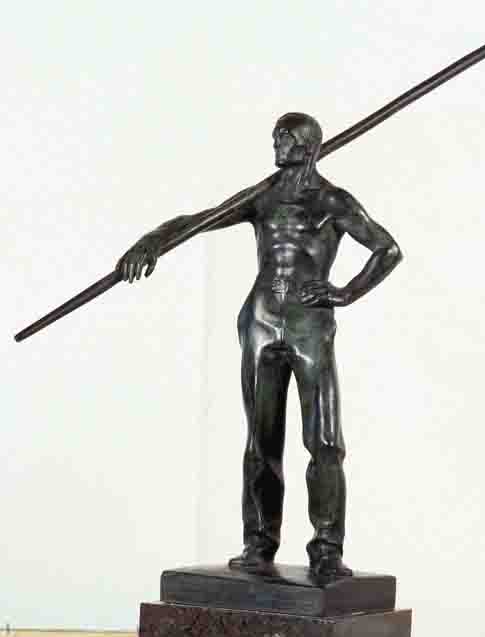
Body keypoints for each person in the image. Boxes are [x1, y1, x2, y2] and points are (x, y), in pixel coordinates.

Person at [118, 112, 403, 577]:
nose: (275, 144)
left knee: (325, 441)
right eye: (275, 137)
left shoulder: (332, 200)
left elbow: (387, 249)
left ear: (306, 146)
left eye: (283, 138)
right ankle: (258, 544)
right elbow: (197, 221)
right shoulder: (262, 196)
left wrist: (345, 293)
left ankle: (326, 549)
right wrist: (149, 243)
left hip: (310, 325)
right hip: (260, 321)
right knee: (261, 440)